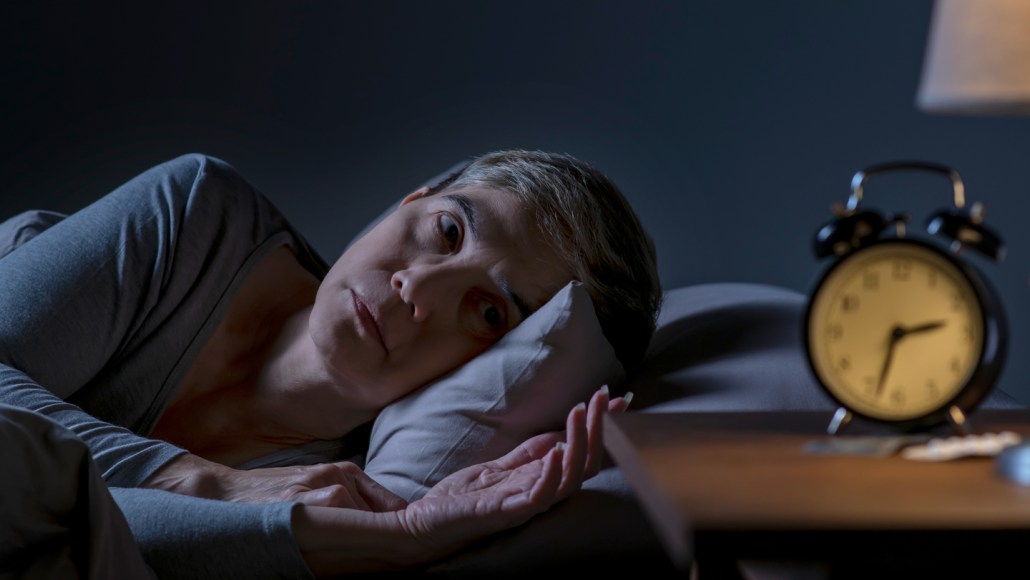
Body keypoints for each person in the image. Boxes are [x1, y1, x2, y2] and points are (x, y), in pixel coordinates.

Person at [0, 150, 661, 578]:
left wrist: (405, 532)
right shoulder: (198, 214)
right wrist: (210, 486)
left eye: (488, 313)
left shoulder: (344, 493)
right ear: (413, 199)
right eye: (449, 230)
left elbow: (94, 541)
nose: (417, 288)